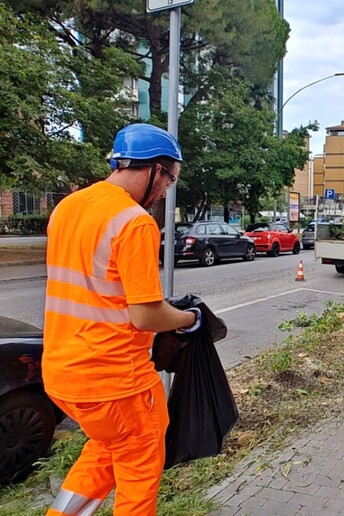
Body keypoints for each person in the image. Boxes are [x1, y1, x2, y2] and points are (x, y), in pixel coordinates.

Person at [43, 123, 202, 516]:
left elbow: (99, 288)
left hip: (64, 373)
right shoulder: (134, 222)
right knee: (138, 469)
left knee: (107, 445)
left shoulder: (68, 207)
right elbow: (146, 315)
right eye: (169, 181)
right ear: (155, 169)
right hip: (117, 381)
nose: (166, 192)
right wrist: (187, 318)